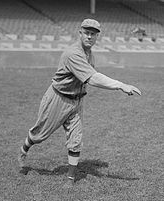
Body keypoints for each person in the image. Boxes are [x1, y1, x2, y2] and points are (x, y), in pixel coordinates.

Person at [18, 19, 141, 188]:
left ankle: (70, 179)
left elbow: (90, 76)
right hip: (58, 97)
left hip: (76, 100)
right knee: (39, 134)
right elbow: (93, 78)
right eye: (87, 33)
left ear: (97, 37)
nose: (90, 36)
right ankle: (24, 149)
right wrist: (120, 85)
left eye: (93, 34)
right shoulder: (73, 53)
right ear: (80, 33)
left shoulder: (89, 54)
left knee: (76, 139)